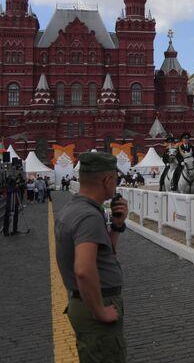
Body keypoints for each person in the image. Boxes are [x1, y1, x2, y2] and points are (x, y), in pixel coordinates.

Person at [54, 152, 128, 362]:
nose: (116, 185)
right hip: (96, 305)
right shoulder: (88, 216)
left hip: (85, 303)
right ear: (107, 180)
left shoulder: (73, 208)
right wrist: (100, 311)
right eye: (116, 179)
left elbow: (104, 256)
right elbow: (84, 269)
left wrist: (117, 226)